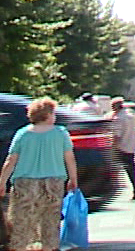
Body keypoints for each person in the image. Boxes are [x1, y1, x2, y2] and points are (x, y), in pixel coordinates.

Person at [1, 97, 79, 251]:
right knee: (50, 222)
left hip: (24, 184)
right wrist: (73, 178)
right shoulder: (61, 133)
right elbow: (69, 157)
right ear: (48, 115)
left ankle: (21, 247)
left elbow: (11, 160)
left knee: (21, 222)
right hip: (53, 182)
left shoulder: (22, 134)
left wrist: (2, 182)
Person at [111, 97, 135, 200]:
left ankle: (112, 191)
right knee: (131, 169)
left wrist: (112, 147)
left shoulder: (118, 118)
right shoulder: (130, 115)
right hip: (131, 145)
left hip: (122, 147)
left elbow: (116, 135)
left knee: (114, 169)